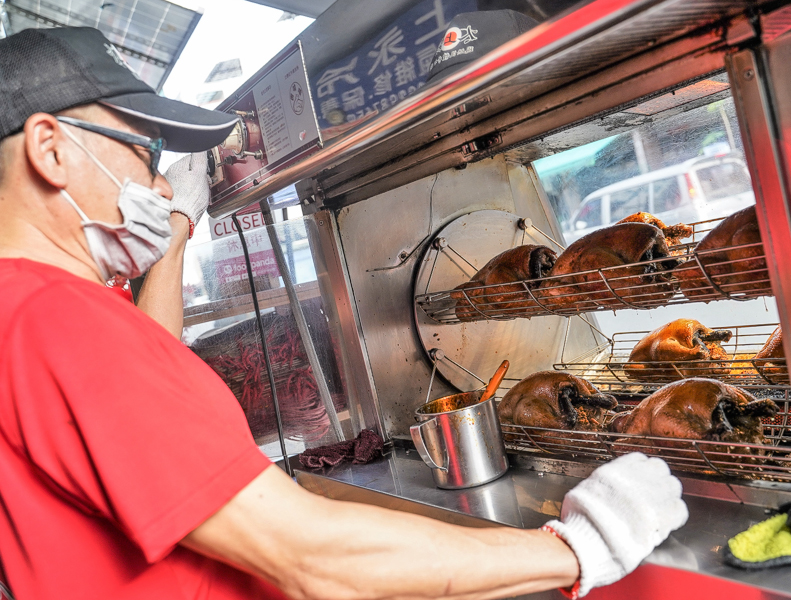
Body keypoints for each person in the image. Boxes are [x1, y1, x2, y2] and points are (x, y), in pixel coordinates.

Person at [0, 26, 688, 600]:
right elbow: (312, 559)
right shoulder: (62, 322)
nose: (154, 182)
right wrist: (577, 549)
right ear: (51, 149)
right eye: (145, 150)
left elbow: (124, 417)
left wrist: (177, 233)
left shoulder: (27, 317)